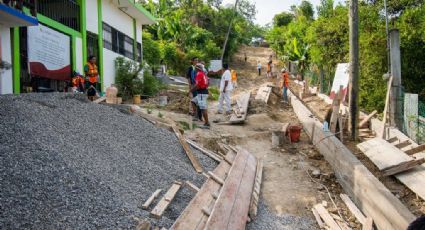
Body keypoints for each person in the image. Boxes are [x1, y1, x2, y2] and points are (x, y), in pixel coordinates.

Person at [191, 63, 210, 128]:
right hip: (203, 92)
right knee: (193, 101)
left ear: (197, 68)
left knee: (203, 108)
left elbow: (197, 85)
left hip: (202, 93)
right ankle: (196, 115)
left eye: (195, 67)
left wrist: (191, 90)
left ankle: (207, 123)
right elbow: (208, 82)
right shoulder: (204, 74)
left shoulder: (199, 74)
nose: (195, 69)